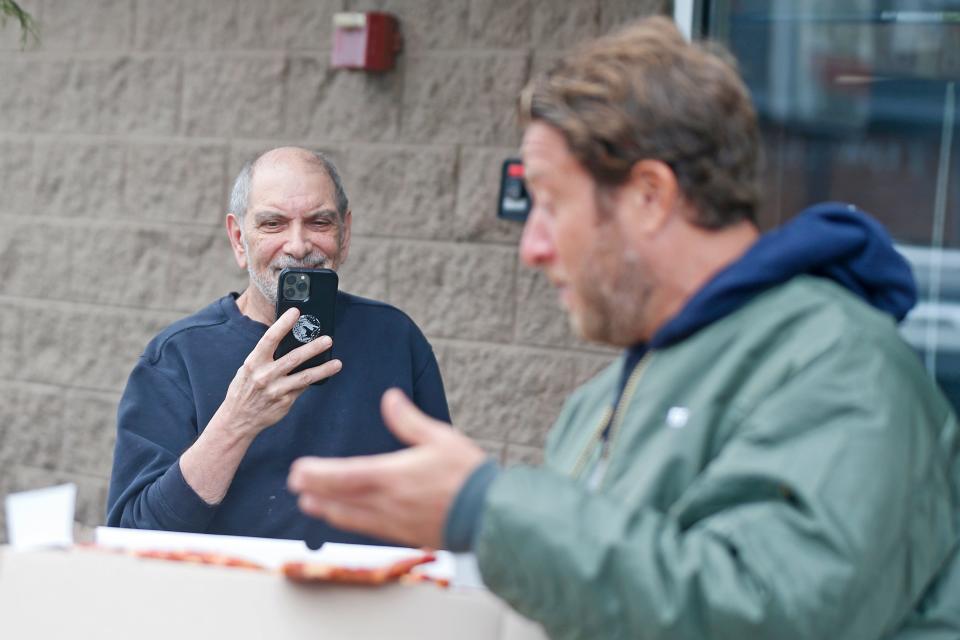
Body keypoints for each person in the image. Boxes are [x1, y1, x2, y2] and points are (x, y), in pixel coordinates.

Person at [285, 17, 960, 639]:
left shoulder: (841, 368)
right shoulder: (600, 402)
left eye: (550, 204)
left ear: (649, 196)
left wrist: (485, 512)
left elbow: (767, 612)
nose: (533, 247)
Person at [107, 147, 449, 548]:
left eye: (319, 221)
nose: (299, 245)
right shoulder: (175, 358)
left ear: (345, 234)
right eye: (273, 224)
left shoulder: (394, 338)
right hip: (228, 599)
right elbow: (132, 537)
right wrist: (238, 420)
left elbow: (443, 503)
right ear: (239, 240)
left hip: (365, 598)